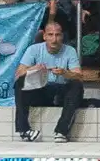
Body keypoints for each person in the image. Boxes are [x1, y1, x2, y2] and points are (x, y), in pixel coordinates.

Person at [14, 13, 89, 142]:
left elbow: (79, 76)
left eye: (57, 35)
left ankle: (61, 132)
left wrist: (65, 73)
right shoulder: (34, 49)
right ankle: (24, 130)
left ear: (62, 36)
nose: (54, 39)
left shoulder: (69, 50)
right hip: (41, 91)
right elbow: (18, 74)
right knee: (20, 83)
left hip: (60, 92)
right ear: (44, 36)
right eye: (50, 35)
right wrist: (34, 69)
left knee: (76, 85)